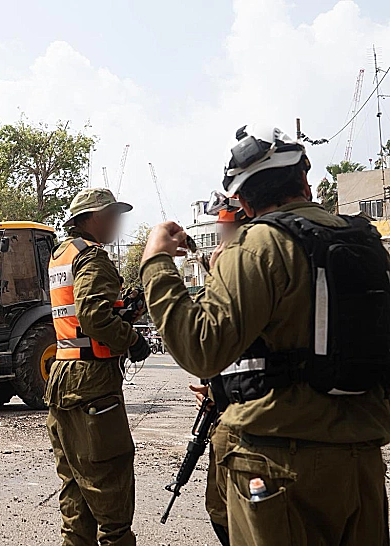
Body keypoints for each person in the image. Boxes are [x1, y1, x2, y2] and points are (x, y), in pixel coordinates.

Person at [141, 124, 390, 545]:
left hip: (280, 467)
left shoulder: (259, 245)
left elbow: (201, 349)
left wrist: (156, 263)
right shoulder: (366, 243)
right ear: (305, 177)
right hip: (362, 462)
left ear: (242, 198)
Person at [45, 187, 151, 546]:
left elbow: (78, 316)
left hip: (64, 376)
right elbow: (94, 317)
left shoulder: (62, 256)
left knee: (77, 487)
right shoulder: (92, 258)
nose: (117, 223)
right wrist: (133, 341)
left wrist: (121, 313)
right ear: (94, 218)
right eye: (112, 215)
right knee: (111, 484)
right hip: (91, 382)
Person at [188, 191, 250, 546]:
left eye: (228, 231)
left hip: (254, 426)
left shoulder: (254, 270)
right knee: (220, 508)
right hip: (229, 406)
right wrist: (215, 388)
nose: (221, 244)